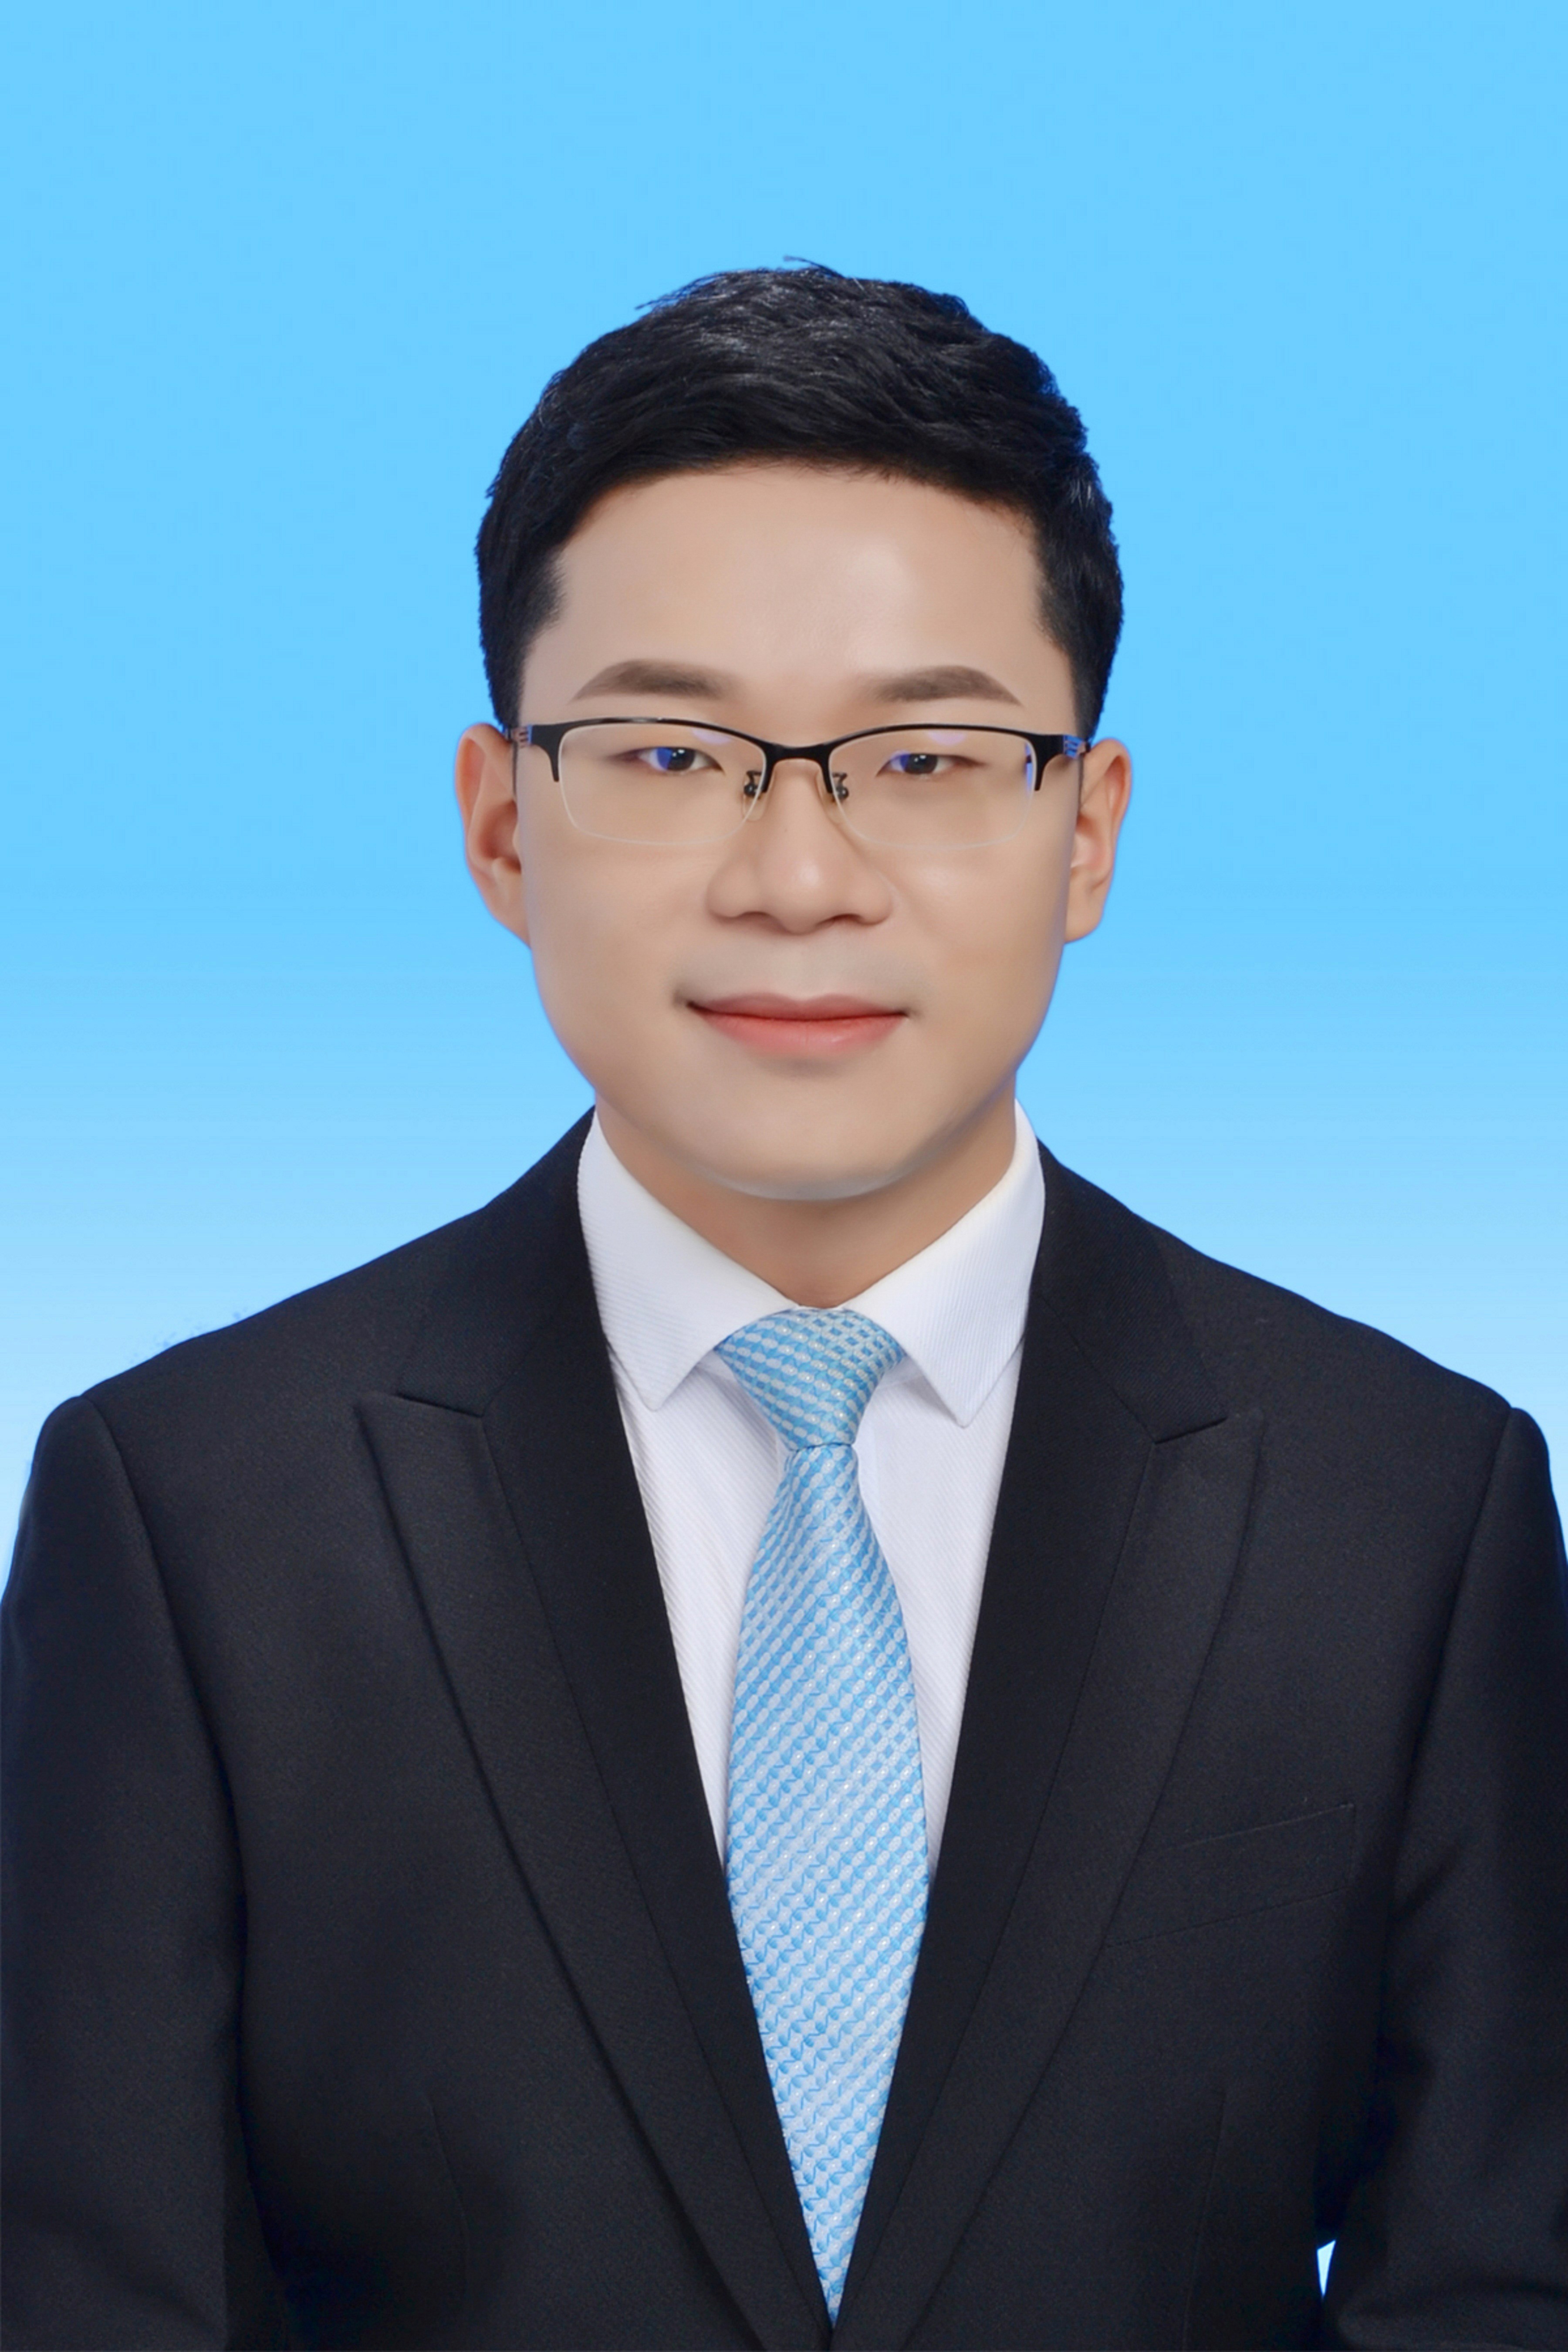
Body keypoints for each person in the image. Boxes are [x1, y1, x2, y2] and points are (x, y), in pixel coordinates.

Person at [3, 266, 1565, 2352]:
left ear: (1087, 832)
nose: (801, 877)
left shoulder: (1410, 1509)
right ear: (501, 824)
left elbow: (1494, 2285)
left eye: (926, 756)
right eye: (670, 750)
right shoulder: (189, 1515)